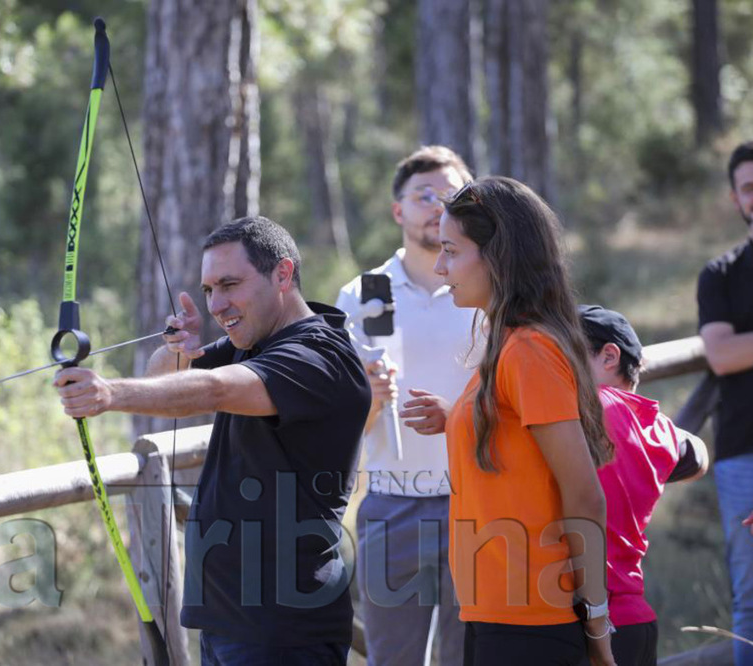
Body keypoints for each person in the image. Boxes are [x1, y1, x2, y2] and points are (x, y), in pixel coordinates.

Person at [55, 216, 371, 666]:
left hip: (283, 630)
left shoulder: (318, 357)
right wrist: (175, 351)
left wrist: (109, 394)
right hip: (229, 620)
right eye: (208, 290)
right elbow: (170, 380)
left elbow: (214, 390)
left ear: (282, 274)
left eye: (229, 284)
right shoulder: (254, 339)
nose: (217, 304)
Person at [434, 176, 616, 666]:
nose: (439, 266)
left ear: (497, 255)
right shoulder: (508, 346)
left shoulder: (529, 349)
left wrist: (597, 618)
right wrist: (456, 418)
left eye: (451, 250)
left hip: (532, 621)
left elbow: (584, 494)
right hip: (496, 613)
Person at [335, 145, 476, 666]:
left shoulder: (488, 289)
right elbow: (341, 420)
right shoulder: (362, 295)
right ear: (398, 211)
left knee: (472, 656)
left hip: (479, 502)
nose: (438, 205)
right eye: (424, 195)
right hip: (393, 502)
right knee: (393, 658)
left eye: (452, 194)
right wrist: (369, 402)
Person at [579, 304, 709, 666]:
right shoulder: (658, 426)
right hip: (633, 617)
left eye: (565, 354)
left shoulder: (591, 405)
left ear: (609, 356)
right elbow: (698, 456)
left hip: (590, 623)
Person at [696, 138, 753, 666]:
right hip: (745, 452)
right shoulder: (719, 274)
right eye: (749, 188)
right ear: (737, 198)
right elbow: (721, 354)